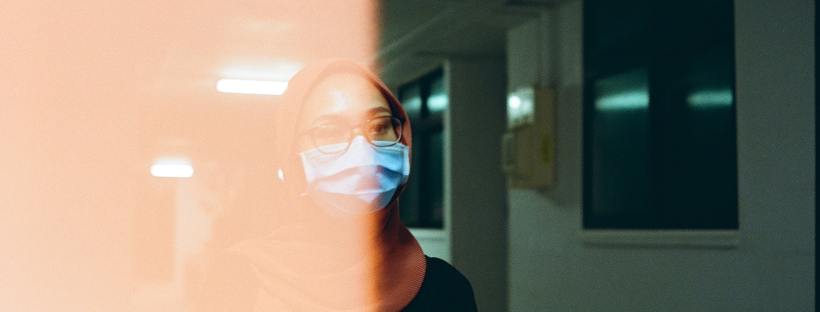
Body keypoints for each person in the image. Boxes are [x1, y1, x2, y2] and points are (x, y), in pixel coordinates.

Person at [195, 59, 476, 311]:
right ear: (292, 159)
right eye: (329, 131)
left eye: (379, 127)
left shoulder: (444, 288)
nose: (363, 150)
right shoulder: (239, 279)